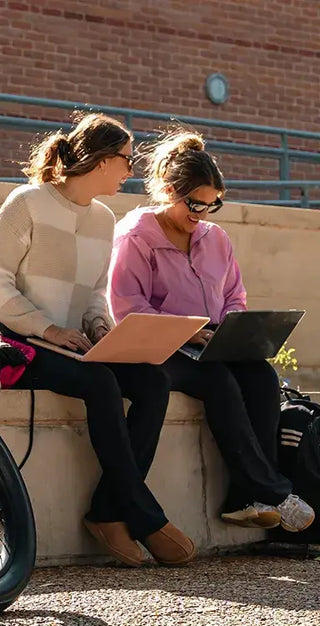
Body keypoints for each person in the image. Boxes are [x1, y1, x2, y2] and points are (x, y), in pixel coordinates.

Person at [0, 113, 195, 567]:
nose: (130, 170)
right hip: (26, 341)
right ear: (100, 162)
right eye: (125, 159)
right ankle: (144, 515)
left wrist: (99, 325)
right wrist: (49, 328)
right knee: (100, 384)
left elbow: (94, 296)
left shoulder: (103, 219)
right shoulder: (26, 203)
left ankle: (106, 511)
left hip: (80, 344)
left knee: (154, 381)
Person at [109, 129, 314, 533]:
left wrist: (233, 328)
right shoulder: (136, 237)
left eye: (211, 205)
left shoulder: (216, 239)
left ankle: (246, 498)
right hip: (158, 351)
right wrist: (187, 333)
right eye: (194, 203)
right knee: (219, 381)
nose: (201, 214)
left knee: (262, 377)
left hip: (209, 346)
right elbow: (127, 307)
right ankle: (273, 491)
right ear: (169, 190)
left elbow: (234, 295)